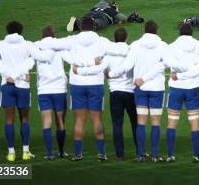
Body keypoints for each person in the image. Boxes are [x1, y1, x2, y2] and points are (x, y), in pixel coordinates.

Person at [106, 21, 171, 162]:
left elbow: (127, 65)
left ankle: (140, 154)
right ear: (157, 31)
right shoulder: (163, 46)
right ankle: (154, 155)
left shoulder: (135, 45)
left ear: (144, 30)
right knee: (155, 122)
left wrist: (112, 74)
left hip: (140, 88)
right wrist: (147, 78)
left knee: (141, 121)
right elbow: (164, 65)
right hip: (156, 88)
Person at [55, 17, 111, 161]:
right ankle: (102, 153)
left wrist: (74, 62)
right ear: (94, 27)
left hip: (77, 84)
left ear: (80, 27)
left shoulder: (72, 40)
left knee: (79, 120)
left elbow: (57, 48)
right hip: (96, 84)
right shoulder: (102, 41)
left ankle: (78, 154)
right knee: (97, 119)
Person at [90, 28, 137, 161]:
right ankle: (140, 151)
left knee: (117, 124)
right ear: (126, 38)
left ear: (114, 37)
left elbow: (105, 70)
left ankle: (119, 154)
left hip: (115, 92)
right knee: (135, 122)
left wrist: (109, 75)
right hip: (130, 92)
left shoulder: (109, 53)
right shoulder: (130, 51)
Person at [166, 22, 199, 163]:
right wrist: (191, 68)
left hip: (175, 87)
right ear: (192, 32)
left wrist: (178, 71)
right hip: (192, 87)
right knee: (194, 121)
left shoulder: (171, 46)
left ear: (180, 32)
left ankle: (170, 155)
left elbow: (167, 62)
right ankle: (196, 155)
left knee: (172, 121)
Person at [0, 21, 36, 161]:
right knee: (24, 119)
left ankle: (11, 153)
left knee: (9, 120)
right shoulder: (28, 45)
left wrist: (9, 76)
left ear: (7, 31)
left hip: (7, 85)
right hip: (23, 86)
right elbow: (32, 61)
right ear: (21, 31)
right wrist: (19, 75)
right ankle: (25, 152)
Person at [29, 25, 68, 160]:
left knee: (47, 121)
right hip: (59, 89)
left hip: (44, 90)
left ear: (42, 36)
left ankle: (50, 153)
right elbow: (69, 57)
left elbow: (28, 60)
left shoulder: (35, 46)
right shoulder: (59, 46)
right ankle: (62, 152)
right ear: (54, 36)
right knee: (60, 121)